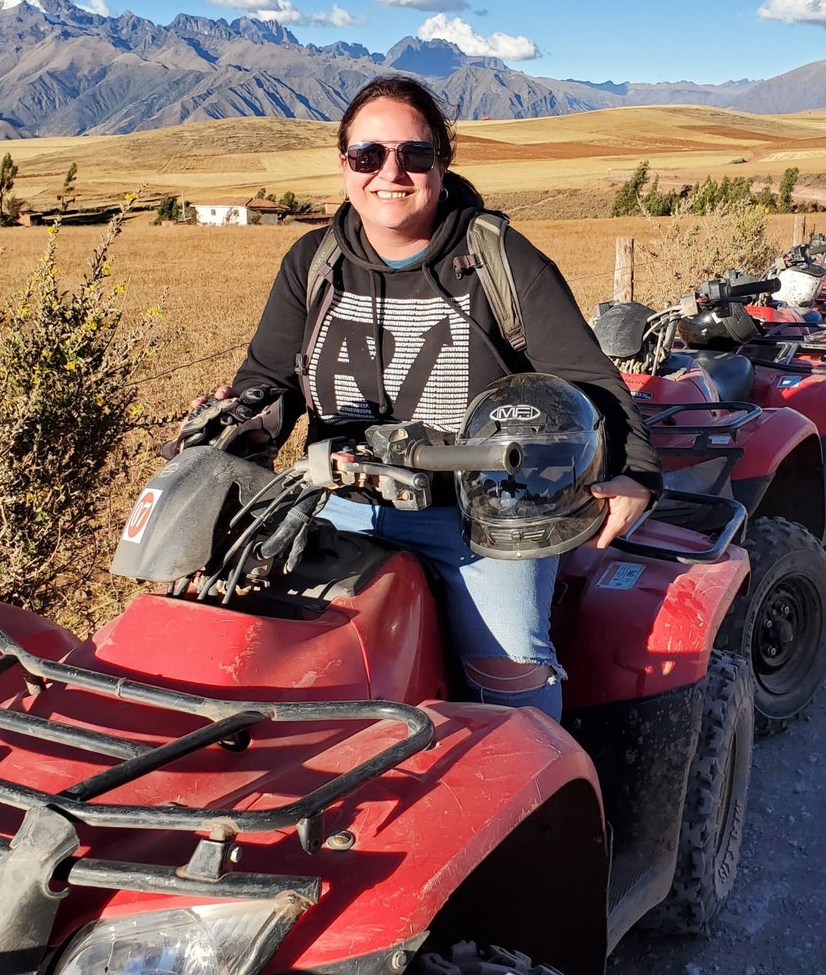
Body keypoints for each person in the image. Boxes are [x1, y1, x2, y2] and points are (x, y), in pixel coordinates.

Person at [200, 75, 660, 720]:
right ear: (344, 166)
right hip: (337, 508)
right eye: (369, 156)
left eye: (414, 155)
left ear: (442, 163)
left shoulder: (496, 257)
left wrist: (635, 472)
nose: (391, 172)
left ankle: (534, 794)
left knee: (509, 672)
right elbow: (270, 380)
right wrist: (223, 439)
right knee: (284, 663)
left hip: (484, 516)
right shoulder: (314, 261)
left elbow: (585, 379)